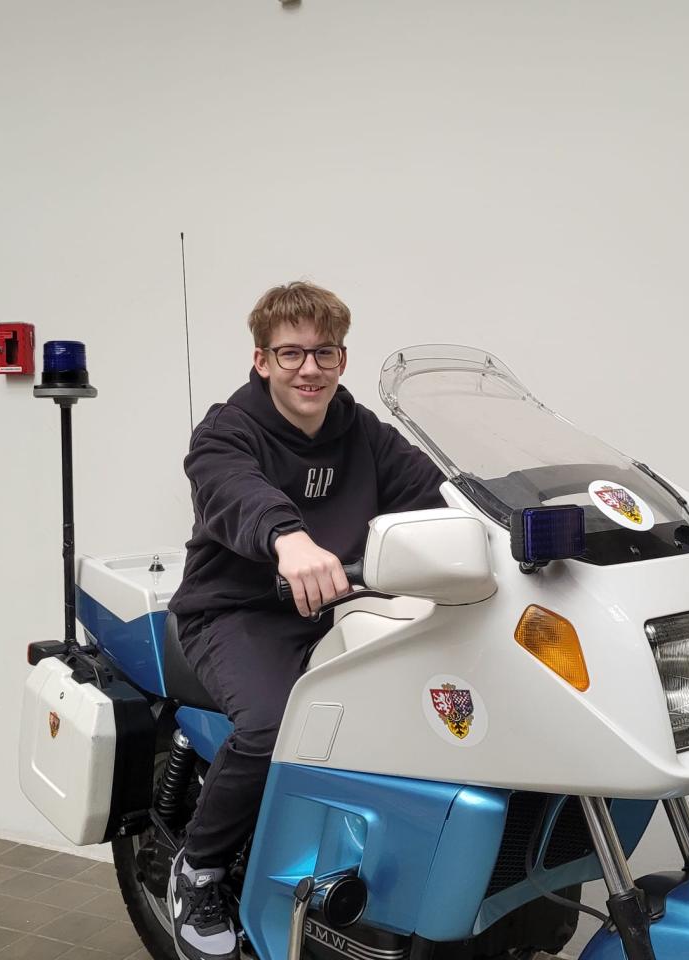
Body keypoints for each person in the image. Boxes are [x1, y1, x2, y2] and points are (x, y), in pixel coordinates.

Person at [165, 281, 446, 960]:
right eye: (290, 353)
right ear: (261, 360)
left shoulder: (364, 434)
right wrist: (286, 538)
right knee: (272, 727)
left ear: (342, 359)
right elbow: (231, 487)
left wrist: (510, 531)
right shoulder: (228, 431)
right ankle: (198, 870)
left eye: (324, 353)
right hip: (237, 613)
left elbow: (434, 495)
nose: (309, 369)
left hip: (338, 608)